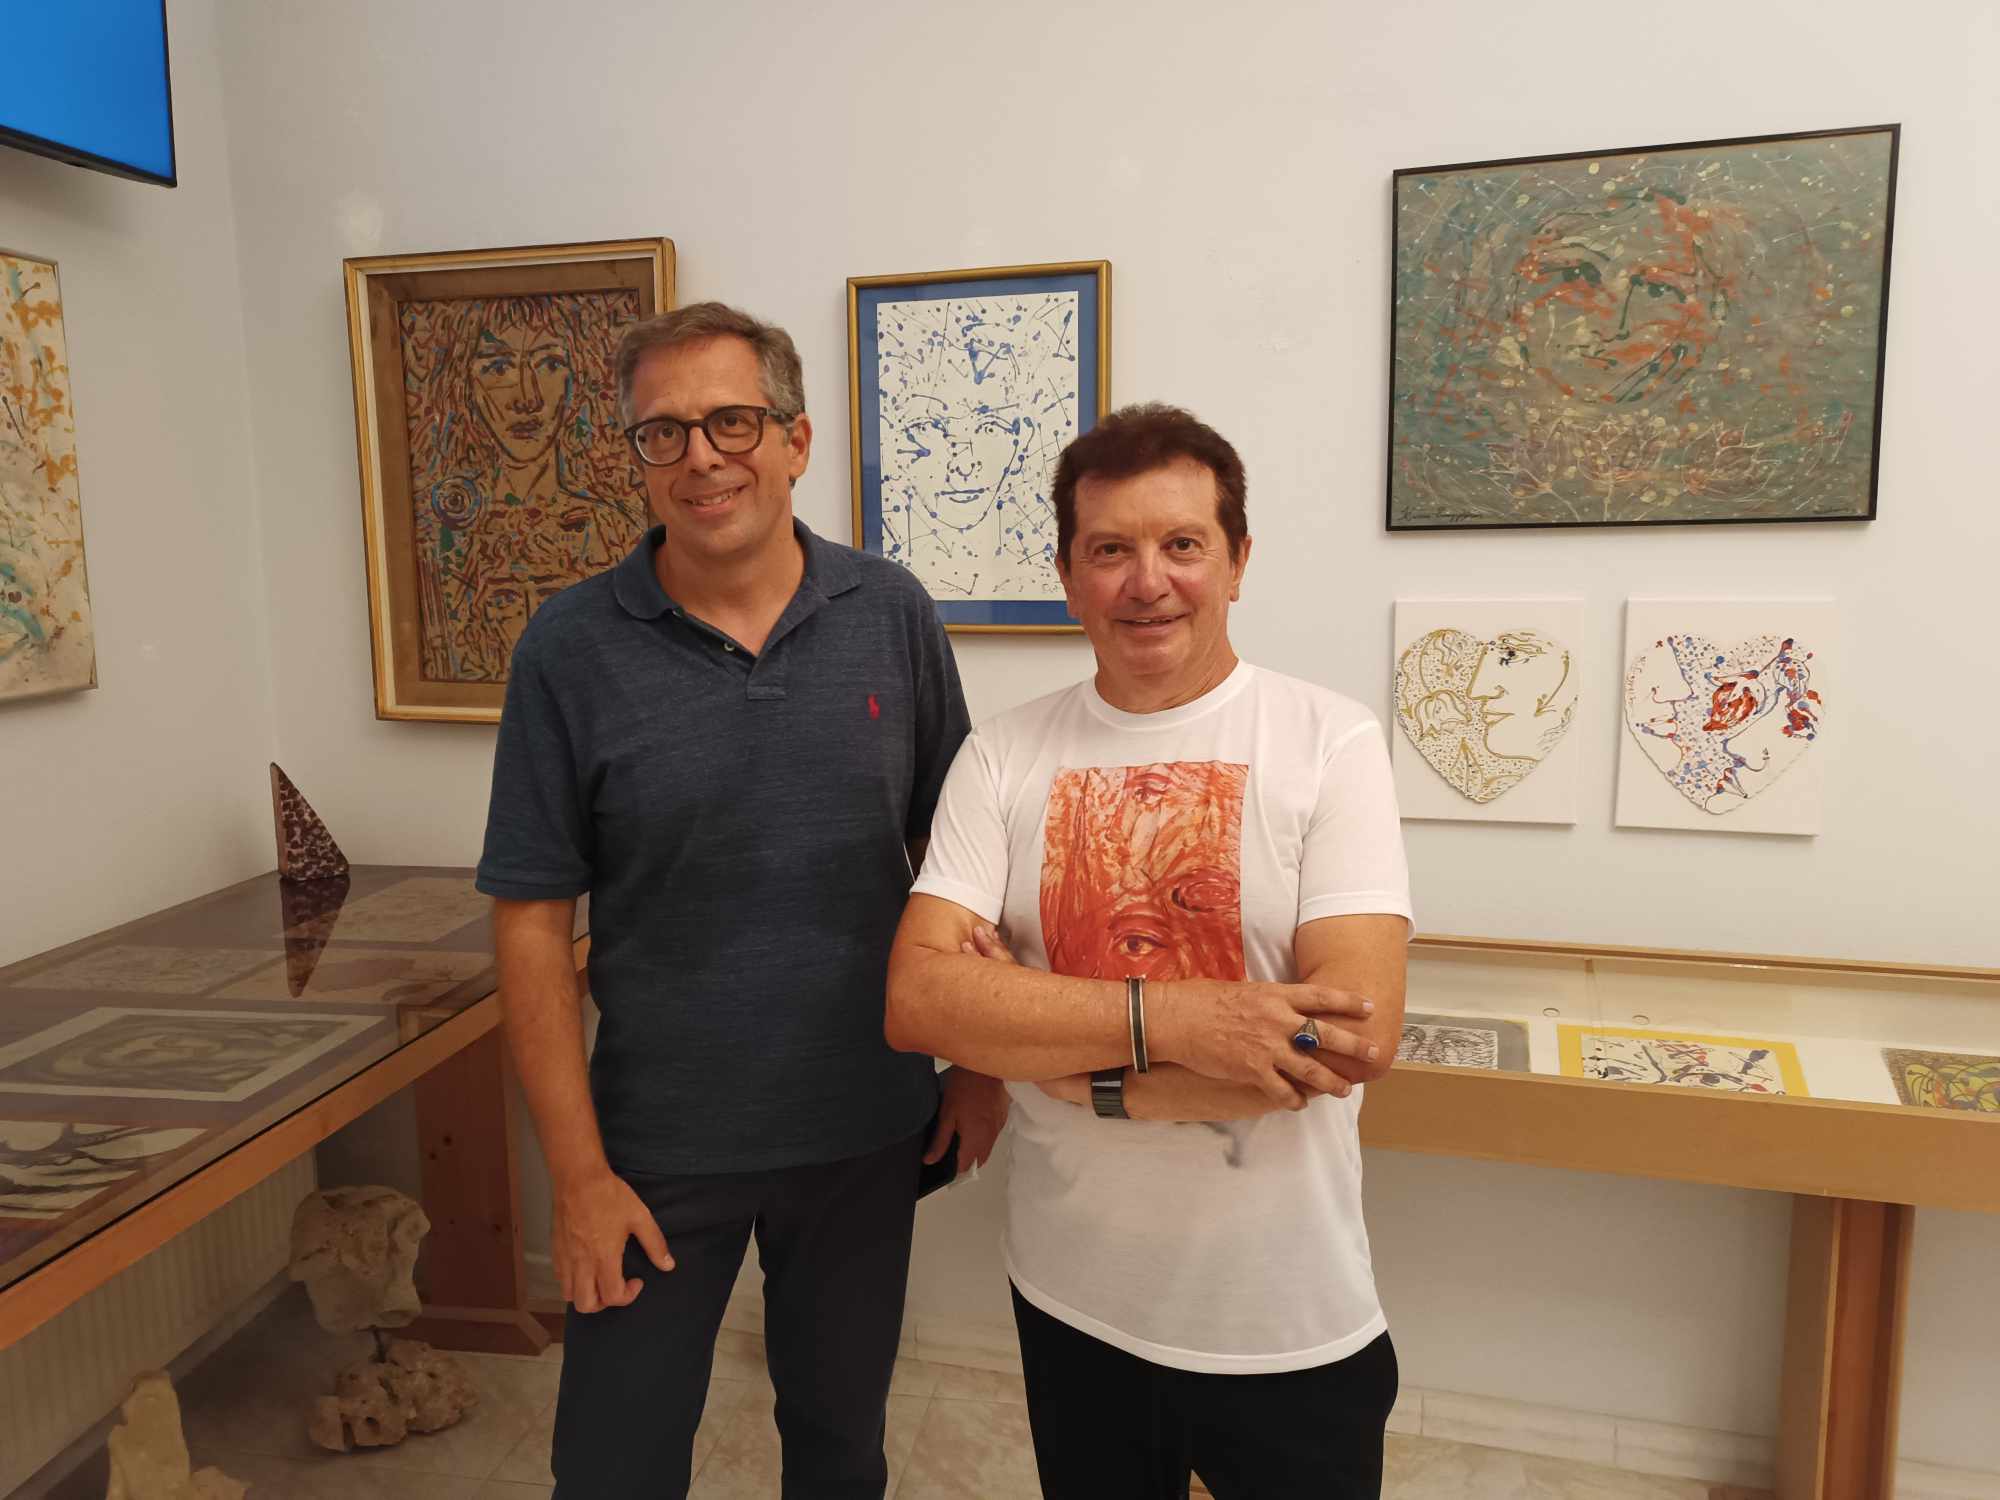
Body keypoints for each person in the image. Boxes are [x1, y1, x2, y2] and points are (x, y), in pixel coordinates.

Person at [475, 301, 1009, 1498]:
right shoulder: (567, 647)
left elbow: (961, 865)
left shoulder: (890, 613)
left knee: (838, 1447)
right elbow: (530, 919)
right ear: (636, 459)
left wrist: (979, 1069)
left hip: (864, 1127)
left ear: (795, 439)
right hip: (654, 1147)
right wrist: (576, 1176)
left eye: (731, 422)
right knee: (609, 1471)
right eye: (662, 433)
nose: (701, 457)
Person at [885, 402, 1412, 1499]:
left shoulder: (1330, 741)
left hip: (1282, 1314)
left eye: (1182, 544)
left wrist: (1062, 1061)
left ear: (1237, 561)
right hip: (1072, 1298)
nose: (1147, 582)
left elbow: (1345, 1043)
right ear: (1068, 575)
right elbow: (920, 1001)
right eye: (1109, 550)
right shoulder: (1003, 755)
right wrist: (1188, 1022)